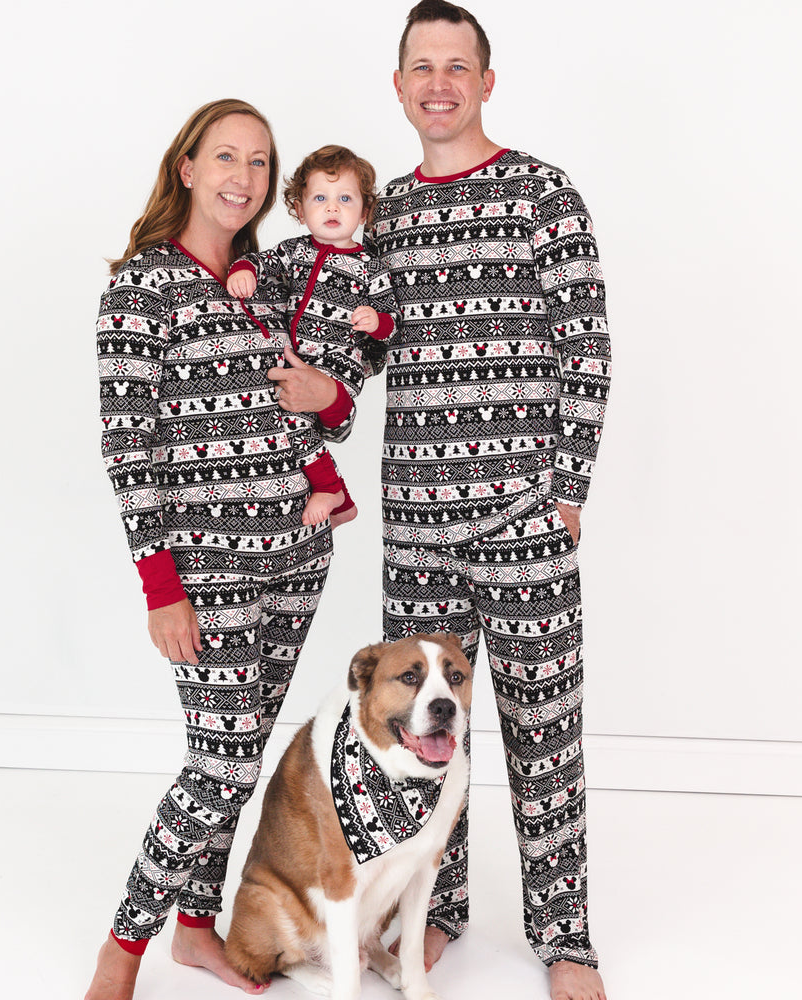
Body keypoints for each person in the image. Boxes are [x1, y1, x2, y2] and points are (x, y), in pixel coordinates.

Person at [272, 4, 611, 999]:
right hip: (417, 525)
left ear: (485, 81)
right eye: (421, 66)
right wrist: (314, 399)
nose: (438, 83)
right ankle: (439, 910)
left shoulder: (542, 194)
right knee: (417, 746)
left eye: (457, 66)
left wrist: (567, 490)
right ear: (398, 84)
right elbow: (357, 358)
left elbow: (585, 345)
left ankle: (566, 935)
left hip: (521, 520)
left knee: (547, 725)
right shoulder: (384, 219)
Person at [85, 98, 336, 1000]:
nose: (244, 177)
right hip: (206, 571)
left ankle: (196, 928)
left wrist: (329, 419)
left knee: (242, 746)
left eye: (261, 163)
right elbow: (129, 448)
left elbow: (324, 393)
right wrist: (162, 587)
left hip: (297, 556)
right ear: (187, 167)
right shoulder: (140, 287)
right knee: (221, 762)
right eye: (226, 157)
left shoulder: (273, 282)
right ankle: (124, 947)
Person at [227, 145, 399, 528]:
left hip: (341, 363)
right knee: (285, 418)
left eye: (345, 199)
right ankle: (337, 495)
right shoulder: (294, 252)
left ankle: (330, 489)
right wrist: (244, 270)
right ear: (300, 210)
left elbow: (393, 322)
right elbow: (260, 261)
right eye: (320, 198)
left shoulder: (371, 267)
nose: (332, 208)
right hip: (297, 355)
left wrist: (377, 322)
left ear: (364, 211)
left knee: (297, 419)